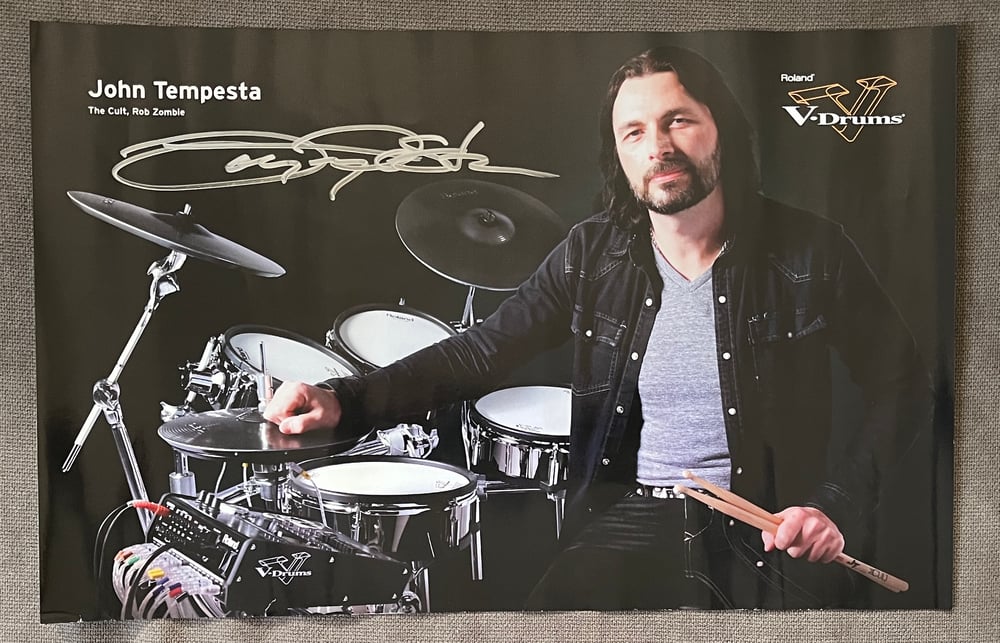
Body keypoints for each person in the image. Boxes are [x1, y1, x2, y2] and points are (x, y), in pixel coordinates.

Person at [264, 45, 930, 610]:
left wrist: (834, 504)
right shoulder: (592, 254)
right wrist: (347, 399)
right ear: (619, 154)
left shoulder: (813, 252)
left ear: (720, 127)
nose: (658, 147)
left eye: (678, 120)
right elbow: (482, 350)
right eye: (633, 132)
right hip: (631, 518)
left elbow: (905, 386)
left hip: (768, 527)